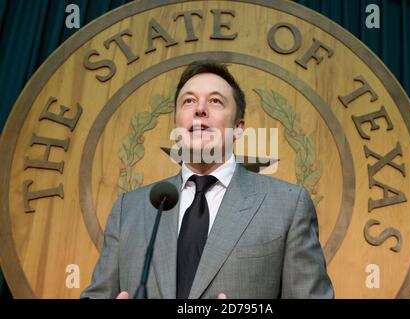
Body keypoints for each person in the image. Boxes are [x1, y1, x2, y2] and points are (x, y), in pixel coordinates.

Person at [80, 60, 334, 299]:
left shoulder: (287, 206)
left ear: (238, 128)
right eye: (188, 101)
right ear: (177, 122)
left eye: (215, 101)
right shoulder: (130, 208)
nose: (199, 109)